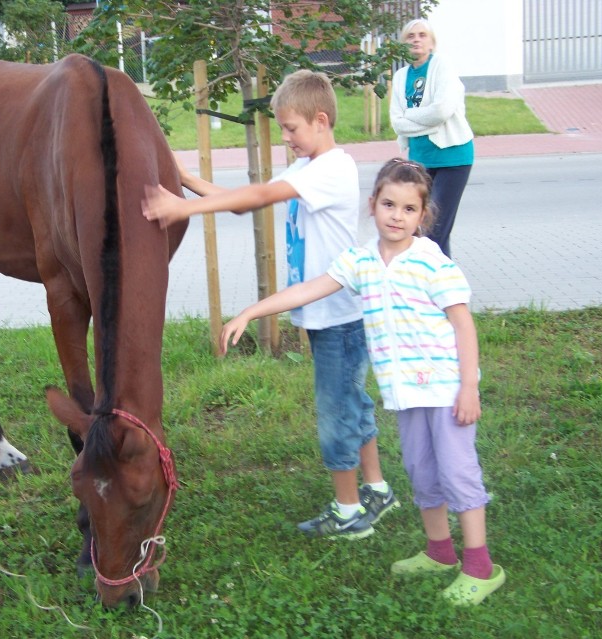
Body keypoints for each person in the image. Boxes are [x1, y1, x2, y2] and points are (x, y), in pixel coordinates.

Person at [221, 158, 505, 606]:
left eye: (409, 209)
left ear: (423, 215)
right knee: (420, 472)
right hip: (406, 393)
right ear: (372, 205)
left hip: (447, 389)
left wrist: (468, 386)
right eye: (388, 204)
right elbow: (309, 289)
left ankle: (480, 566)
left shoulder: (432, 261)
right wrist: (251, 311)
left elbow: (463, 324)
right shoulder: (361, 261)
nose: (397, 215)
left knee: (457, 473)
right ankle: (439, 553)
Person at [143, 69, 399, 540]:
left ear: (320, 120)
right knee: (353, 404)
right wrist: (181, 178)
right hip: (332, 315)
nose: (286, 138)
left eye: (291, 128)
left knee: (337, 414)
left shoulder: (333, 168)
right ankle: (377, 489)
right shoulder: (307, 168)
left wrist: (181, 209)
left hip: (340, 316)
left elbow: (259, 194)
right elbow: (244, 202)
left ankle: (348, 511)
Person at [390, 18, 474, 259]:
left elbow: (441, 111)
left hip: (452, 157)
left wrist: (410, 118)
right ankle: (444, 290)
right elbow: (397, 122)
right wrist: (415, 122)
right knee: (426, 231)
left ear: (432, 43)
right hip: (420, 161)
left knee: (433, 230)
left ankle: (438, 290)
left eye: (422, 35)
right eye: (410, 36)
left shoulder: (442, 67)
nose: (416, 39)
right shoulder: (400, 77)